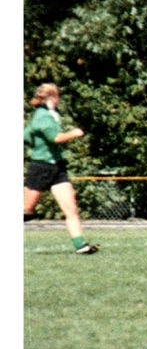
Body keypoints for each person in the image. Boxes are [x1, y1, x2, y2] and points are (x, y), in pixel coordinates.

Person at [23, 83, 97, 255]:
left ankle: (81, 245)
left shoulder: (49, 115)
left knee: (71, 208)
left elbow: (26, 135)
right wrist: (75, 133)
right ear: (52, 97)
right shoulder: (43, 117)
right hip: (41, 167)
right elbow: (55, 138)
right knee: (25, 211)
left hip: (57, 167)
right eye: (57, 97)